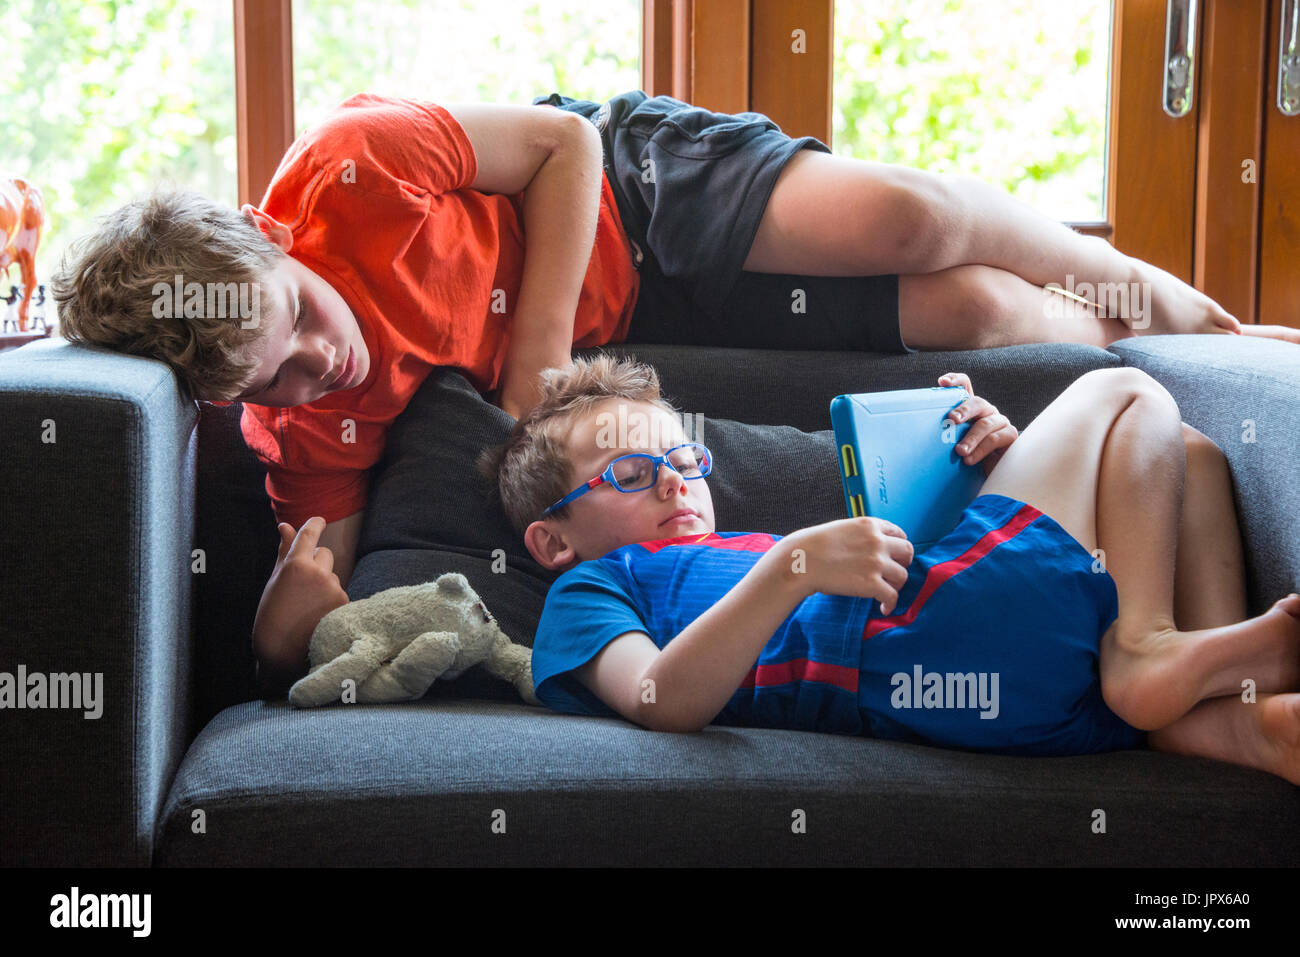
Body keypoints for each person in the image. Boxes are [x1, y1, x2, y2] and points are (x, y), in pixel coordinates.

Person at [48, 91, 1296, 687]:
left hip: (627, 199)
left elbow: (560, 150)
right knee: (980, 317)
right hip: (636, 323)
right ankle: (1088, 336)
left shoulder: (346, 169)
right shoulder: (298, 427)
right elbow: (331, 609)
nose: (327, 368)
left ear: (275, 247)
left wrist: (537, 359)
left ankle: (1138, 288)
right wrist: (276, 626)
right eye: (281, 380)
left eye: (305, 325)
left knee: (914, 219)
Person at [478, 353, 1300, 784]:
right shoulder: (593, 588)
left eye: (684, 460)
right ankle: (1151, 645)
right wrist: (796, 564)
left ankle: (1234, 702)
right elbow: (659, 698)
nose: (672, 481)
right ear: (553, 542)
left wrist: (990, 461)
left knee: (1192, 454)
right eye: (627, 472)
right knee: (1125, 391)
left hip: (1025, 698)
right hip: (932, 643)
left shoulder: (737, 553)